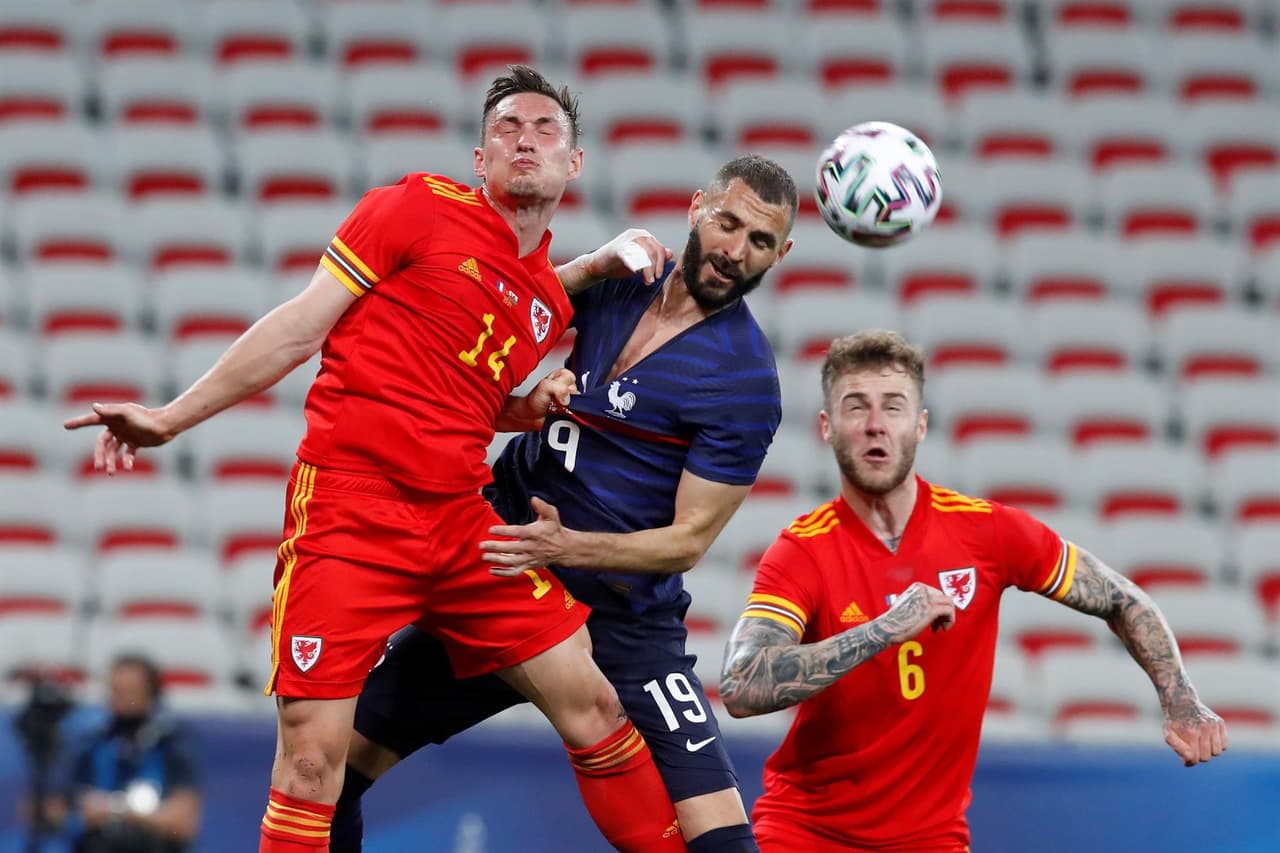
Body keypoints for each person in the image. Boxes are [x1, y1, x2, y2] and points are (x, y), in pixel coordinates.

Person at [64, 65, 684, 853]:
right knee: (311, 760)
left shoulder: (543, 303)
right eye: (507, 127)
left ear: (575, 162)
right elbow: (300, 327)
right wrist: (168, 418)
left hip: (459, 519)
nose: (525, 140)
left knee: (594, 705)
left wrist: (526, 402)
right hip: (349, 510)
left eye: (544, 129)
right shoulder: (415, 206)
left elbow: (459, 384)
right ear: (480, 157)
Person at [328, 154, 798, 853]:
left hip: (621, 616)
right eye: (728, 223)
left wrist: (567, 545)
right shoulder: (623, 279)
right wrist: (588, 267)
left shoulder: (746, 380)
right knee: (326, 773)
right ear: (698, 206)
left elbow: (688, 541)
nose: (736, 250)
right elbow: (500, 312)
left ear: (780, 254)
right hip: (501, 574)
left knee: (721, 842)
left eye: (760, 241)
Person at [719, 330, 1230, 853]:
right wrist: (883, 630)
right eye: (856, 407)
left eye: (893, 407)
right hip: (806, 832)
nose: (875, 424)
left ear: (920, 425)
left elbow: (1122, 598)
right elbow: (740, 685)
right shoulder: (802, 551)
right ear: (827, 427)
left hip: (932, 840)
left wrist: (1180, 699)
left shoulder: (988, 531)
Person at [62, 655, 202, 853]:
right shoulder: (91, 745)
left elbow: (183, 824)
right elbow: (56, 809)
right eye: (116, 690)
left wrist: (116, 809)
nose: (122, 699)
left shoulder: (172, 745)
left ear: (151, 694)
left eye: (131, 691)